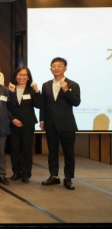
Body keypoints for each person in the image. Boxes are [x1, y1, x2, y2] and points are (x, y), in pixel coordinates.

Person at [40, 57, 80, 190]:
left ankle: (68, 178)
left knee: (68, 152)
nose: (56, 68)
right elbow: (43, 105)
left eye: (59, 66)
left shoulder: (73, 84)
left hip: (67, 124)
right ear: (50, 68)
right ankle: (54, 176)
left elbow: (76, 102)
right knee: (52, 151)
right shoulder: (46, 85)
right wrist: (42, 120)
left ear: (65, 69)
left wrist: (66, 90)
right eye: (54, 66)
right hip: (50, 123)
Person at [7, 65, 41, 184]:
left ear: (28, 77)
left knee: (26, 148)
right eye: (19, 74)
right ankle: (16, 172)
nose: (21, 77)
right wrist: (12, 119)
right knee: (14, 148)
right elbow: (7, 107)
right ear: (15, 76)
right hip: (13, 123)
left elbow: (39, 105)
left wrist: (37, 91)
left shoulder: (31, 90)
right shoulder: (10, 88)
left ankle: (26, 173)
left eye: (24, 75)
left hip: (28, 123)